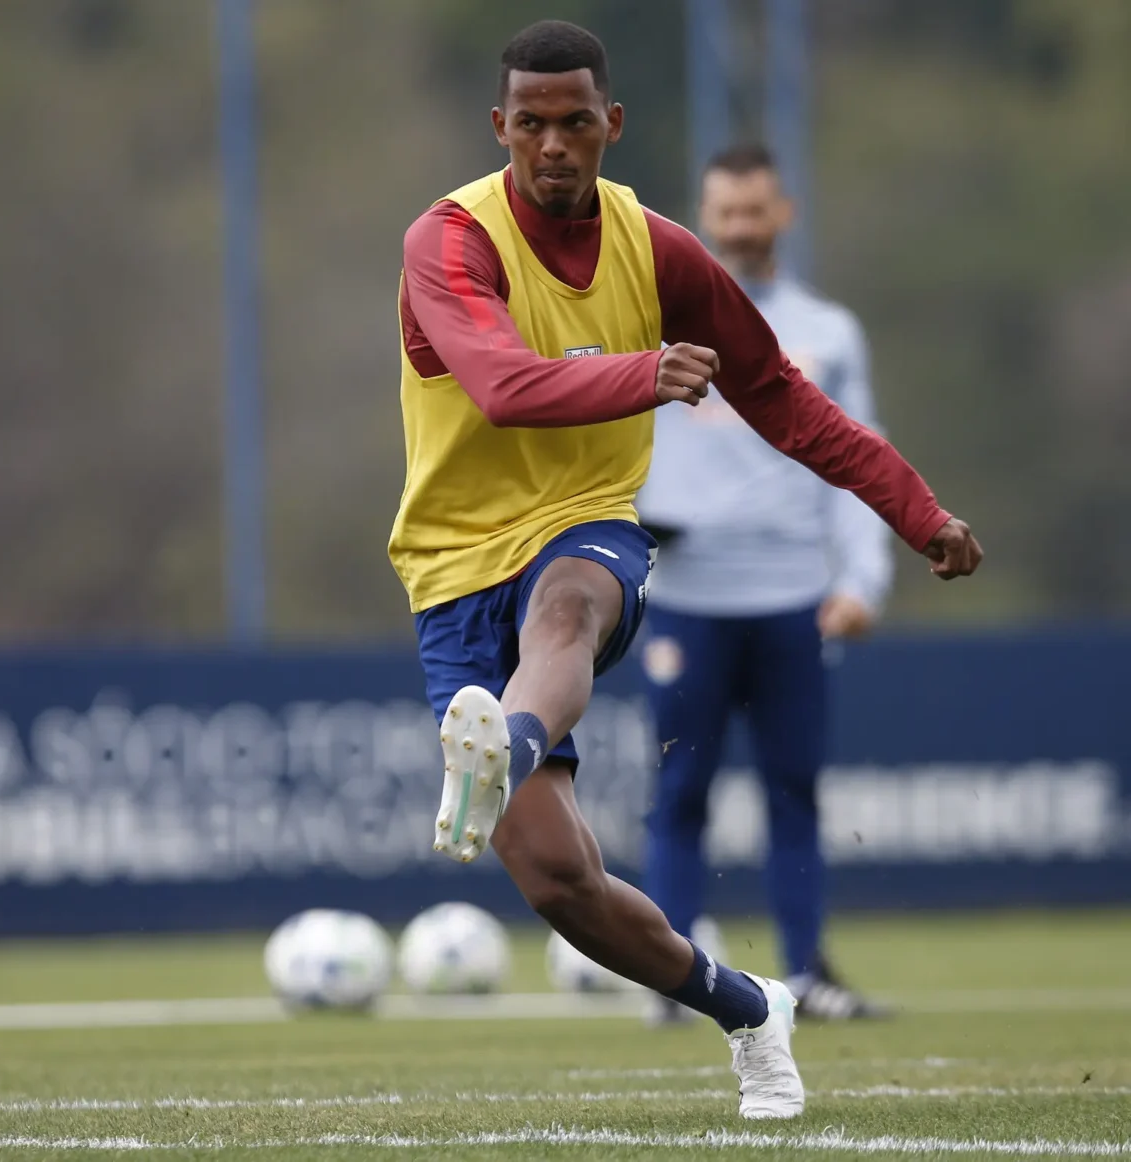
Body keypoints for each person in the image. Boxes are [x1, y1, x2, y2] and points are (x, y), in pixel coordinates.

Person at [389, 21, 982, 1120]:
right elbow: (505, 385)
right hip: (453, 564)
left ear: (612, 124)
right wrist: (640, 373)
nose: (554, 145)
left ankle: (499, 749)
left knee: (567, 610)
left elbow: (791, 404)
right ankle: (751, 1004)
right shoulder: (450, 242)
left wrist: (918, 512)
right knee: (560, 883)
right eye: (532, 124)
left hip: (587, 526)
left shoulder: (658, 250)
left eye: (576, 123)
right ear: (499, 127)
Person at [639, 144, 891, 1024]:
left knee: (796, 788)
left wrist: (864, 578)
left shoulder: (828, 332)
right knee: (679, 794)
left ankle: (809, 972)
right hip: (685, 598)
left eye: (756, 212)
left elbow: (861, 463)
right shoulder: (657, 320)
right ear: (704, 217)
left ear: (781, 213)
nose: (741, 228)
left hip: (794, 594)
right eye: (726, 213)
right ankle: (669, 980)